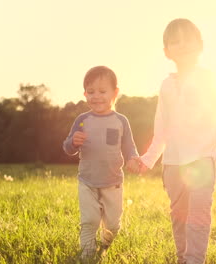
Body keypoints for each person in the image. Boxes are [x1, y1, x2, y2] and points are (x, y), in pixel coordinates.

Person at [134, 18, 216, 264]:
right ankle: (183, 258)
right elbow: (161, 129)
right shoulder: (166, 86)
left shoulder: (209, 79)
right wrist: (148, 160)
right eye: (175, 41)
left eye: (188, 40)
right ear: (166, 51)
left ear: (200, 45)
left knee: (199, 213)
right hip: (173, 165)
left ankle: (194, 260)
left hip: (202, 159)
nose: (183, 45)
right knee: (179, 215)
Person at [62, 65, 139, 262]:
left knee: (113, 224)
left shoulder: (121, 121)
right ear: (84, 94)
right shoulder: (82, 120)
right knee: (89, 220)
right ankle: (87, 255)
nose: (96, 96)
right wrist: (73, 142)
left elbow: (129, 146)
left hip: (113, 182)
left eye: (102, 91)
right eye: (91, 91)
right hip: (87, 181)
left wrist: (132, 159)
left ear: (115, 93)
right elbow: (68, 147)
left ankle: (104, 245)